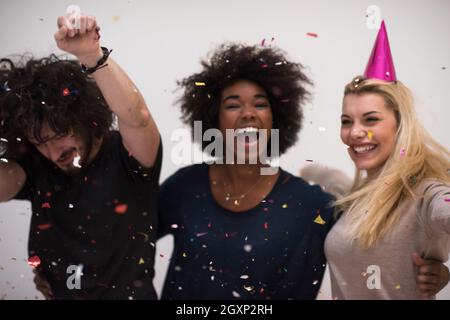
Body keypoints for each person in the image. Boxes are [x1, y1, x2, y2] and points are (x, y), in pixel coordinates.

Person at [0, 13, 161, 299]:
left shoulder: (126, 155)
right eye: (40, 143)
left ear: (83, 116)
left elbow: (138, 118)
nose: (52, 152)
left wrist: (91, 55)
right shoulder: (38, 166)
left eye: (58, 135)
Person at [157, 43, 336, 299]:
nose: (248, 113)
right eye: (232, 105)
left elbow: (367, 246)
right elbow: (124, 239)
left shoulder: (310, 205)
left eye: (260, 104)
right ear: (214, 121)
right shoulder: (185, 188)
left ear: (276, 119)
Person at [304, 21, 450, 299]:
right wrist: (309, 171)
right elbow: (338, 184)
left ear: (400, 124)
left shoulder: (426, 195)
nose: (355, 132)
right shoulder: (360, 196)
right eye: (347, 121)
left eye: (371, 119)